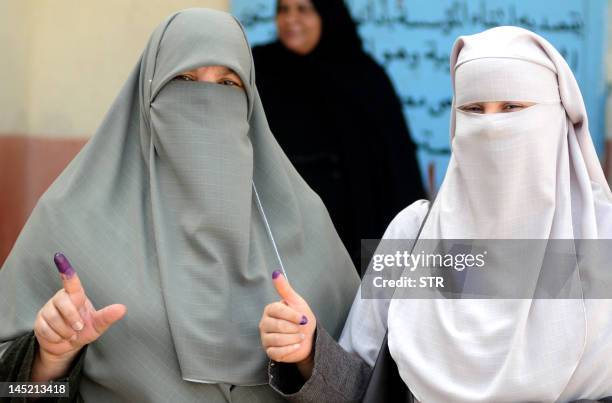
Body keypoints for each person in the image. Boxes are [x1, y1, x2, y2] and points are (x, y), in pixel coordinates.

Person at [0, 8, 360, 402]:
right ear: (148, 93)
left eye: (227, 83)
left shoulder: (305, 223)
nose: (205, 98)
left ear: (250, 103)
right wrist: (47, 360)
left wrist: (310, 357)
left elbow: (367, 385)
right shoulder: (71, 222)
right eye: (184, 80)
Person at [259, 26, 612, 402]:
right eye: (474, 109)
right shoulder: (413, 235)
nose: (491, 127)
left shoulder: (602, 238)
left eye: (512, 107)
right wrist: (309, 351)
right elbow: (362, 385)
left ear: (557, 116)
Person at [252, 0, 426, 271]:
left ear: (326, 14)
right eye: (283, 10)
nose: (290, 19)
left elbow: (397, 165)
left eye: (303, 9)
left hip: (353, 235)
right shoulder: (261, 70)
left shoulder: (364, 78)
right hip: (281, 235)